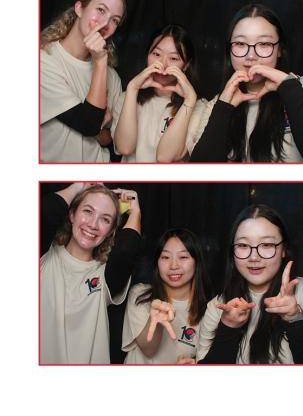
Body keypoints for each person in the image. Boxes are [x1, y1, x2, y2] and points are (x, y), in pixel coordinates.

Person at [190, 4, 303, 162]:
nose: (250, 56)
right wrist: (223, 109)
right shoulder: (218, 103)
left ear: (279, 50)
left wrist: (289, 87)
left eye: (264, 44)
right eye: (240, 44)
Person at [199, 204, 303, 364]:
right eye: (243, 245)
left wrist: (295, 319)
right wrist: (228, 328)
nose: (254, 257)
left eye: (267, 245)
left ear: (283, 249)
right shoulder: (218, 306)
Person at [40, 182, 141, 364]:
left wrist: (135, 212)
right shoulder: (43, 257)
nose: (93, 224)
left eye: (105, 219)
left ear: (110, 232)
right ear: (72, 214)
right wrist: (78, 187)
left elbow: (126, 250)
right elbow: (45, 213)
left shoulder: (104, 276)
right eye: (87, 211)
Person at [40, 0, 126, 163]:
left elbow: (109, 139)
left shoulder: (112, 76)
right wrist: (100, 62)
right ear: (79, 8)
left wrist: (97, 127)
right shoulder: (43, 60)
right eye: (101, 10)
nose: (105, 23)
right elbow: (89, 125)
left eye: (115, 20)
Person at [112, 25, 205, 162]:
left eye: (173, 58)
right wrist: (132, 89)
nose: (162, 64)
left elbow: (165, 157)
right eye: (156, 54)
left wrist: (190, 100)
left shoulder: (199, 106)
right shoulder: (128, 96)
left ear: (186, 65)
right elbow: (124, 148)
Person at [122, 229, 211, 364]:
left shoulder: (209, 311)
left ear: (196, 261)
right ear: (157, 263)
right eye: (165, 257)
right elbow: (149, 350)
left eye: (183, 257)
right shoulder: (140, 295)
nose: (173, 266)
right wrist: (157, 322)